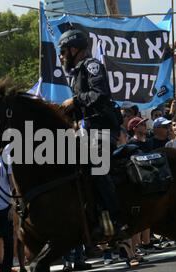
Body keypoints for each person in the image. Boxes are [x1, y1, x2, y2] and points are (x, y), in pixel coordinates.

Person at [58, 29, 125, 234]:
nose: (61, 57)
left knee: (98, 167)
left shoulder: (92, 66)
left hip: (103, 129)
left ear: (74, 49)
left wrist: (75, 101)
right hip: (87, 131)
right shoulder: (76, 73)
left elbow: (100, 95)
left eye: (63, 52)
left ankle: (117, 218)